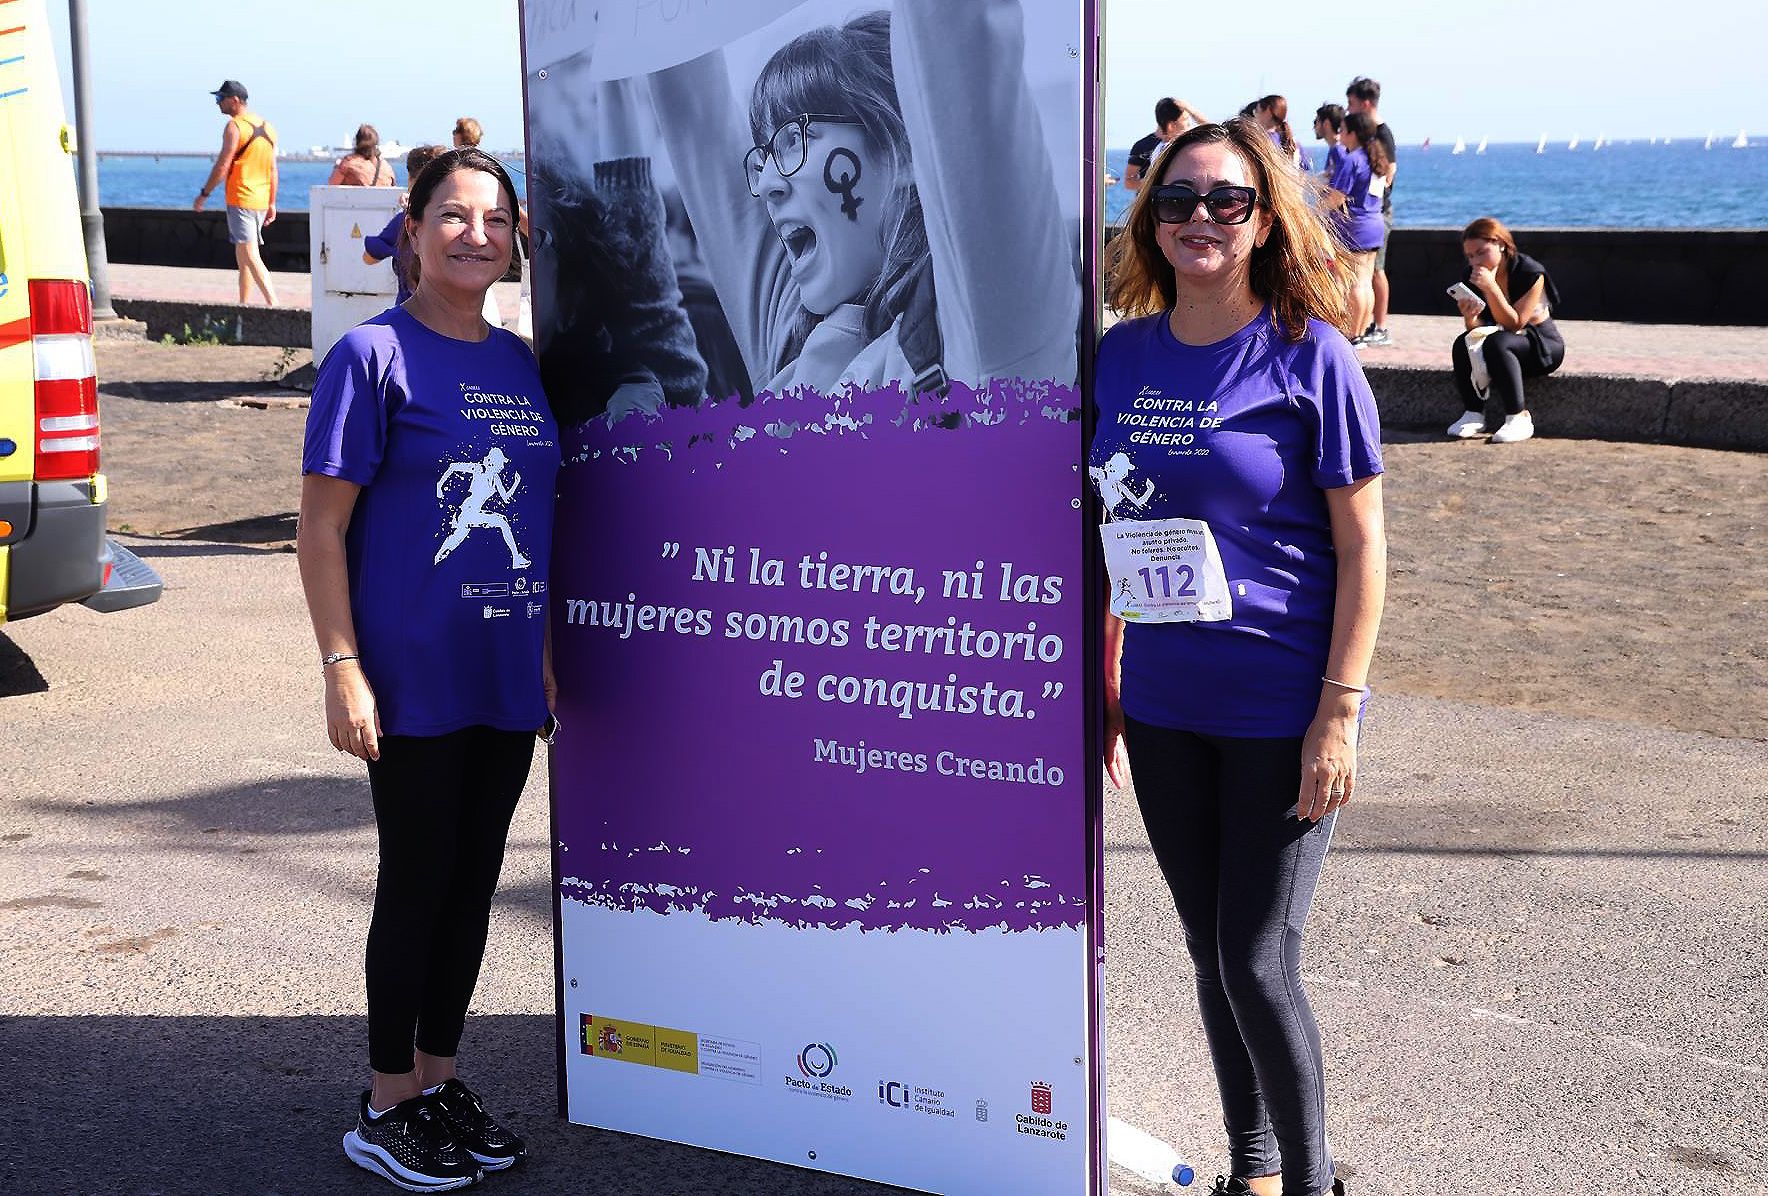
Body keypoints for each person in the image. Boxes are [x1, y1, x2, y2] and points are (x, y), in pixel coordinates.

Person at [1095, 117, 1385, 1196]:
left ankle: (1311, 1185)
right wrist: (1106, 677)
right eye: (1177, 201)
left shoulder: (1311, 354)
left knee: (1257, 959)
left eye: (1225, 200)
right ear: (1149, 220)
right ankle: (1250, 1171)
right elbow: (1109, 532)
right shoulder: (1119, 355)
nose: (1200, 219)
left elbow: (1363, 549)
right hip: (1168, 706)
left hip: (1280, 707)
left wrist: (1338, 711)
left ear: (1264, 219)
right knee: (1210, 952)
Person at [297, 147, 556, 1193]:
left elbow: (544, 515)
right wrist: (341, 666)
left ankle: (440, 1079)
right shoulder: (370, 356)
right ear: (411, 228)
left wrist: (543, 656)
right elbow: (319, 529)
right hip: (408, 673)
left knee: (473, 882)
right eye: (453, 215)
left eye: (495, 219)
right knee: (416, 882)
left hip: (505, 676)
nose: (476, 234)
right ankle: (385, 1099)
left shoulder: (521, 363)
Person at [648, 0, 1077, 398]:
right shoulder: (791, 350)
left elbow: (956, 34)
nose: (765, 186)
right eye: (764, 159)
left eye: (796, 140)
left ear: (905, 151)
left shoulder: (988, 339)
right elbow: (691, 113)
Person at [1447, 217, 1565, 443]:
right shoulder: (1472, 276)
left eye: (1481, 252)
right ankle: (1473, 413)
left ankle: (1518, 417)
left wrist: (1491, 288)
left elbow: (1516, 324)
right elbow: (1480, 330)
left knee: (1498, 342)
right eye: (1470, 256)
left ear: (1501, 243)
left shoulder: (1530, 272)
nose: (1476, 261)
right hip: (1501, 347)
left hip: (1542, 346)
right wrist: (1470, 318)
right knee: (1464, 341)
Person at [193, 80, 278, 306]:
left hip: (241, 197)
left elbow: (223, 165)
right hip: (260, 199)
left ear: (235, 100)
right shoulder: (268, 126)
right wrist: (272, 202)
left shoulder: (235, 127)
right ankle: (243, 303)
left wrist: (204, 193)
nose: (218, 103)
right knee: (243, 256)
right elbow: (272, 169)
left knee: (250, 254)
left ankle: (273, 303)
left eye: (221, 99)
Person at [1323, 113, 1388, 345]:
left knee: (1351, 283)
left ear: (1352, 133)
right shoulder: (1376, 158)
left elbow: (1336, 197)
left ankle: (1350, 332)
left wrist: (1316, 212)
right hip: (1374, 224)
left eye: (1343, 130)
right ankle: (1360, 331)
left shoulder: (1353, 160)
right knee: (1365, 281)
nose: (1341, 135)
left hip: (1355, 227)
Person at [1345, 77, 1395, 345]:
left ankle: (1374, 327)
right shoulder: (1371, 145)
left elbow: (1390, 173)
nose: (1349, 109)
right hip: (1374, 215)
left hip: (1369, 217)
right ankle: (1363, 330)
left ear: (1365, 103)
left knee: (1372, 274)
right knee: (1367, 277)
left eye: (1351, 104)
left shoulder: (1381, 134)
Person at [362, 144, 445, 304]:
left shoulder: (405, 222)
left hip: (410, 316)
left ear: (410, 177)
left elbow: (368, 257)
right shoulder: (457, 223)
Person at [1125, 96, 1207, 191]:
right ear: (1171, 126)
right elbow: (1129, 182)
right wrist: (1158, 183)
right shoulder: (1145, 146)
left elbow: (1213, 131)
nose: (1190, 125)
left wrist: (1189, 109)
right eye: (1186, 120)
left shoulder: (1186, 144)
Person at [1248, 94, 1308, 172]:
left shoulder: (1262, 140)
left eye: (1256, 111)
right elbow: (1304, 169)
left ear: (1268, 111)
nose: (1255, 115)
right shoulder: (1294, 141)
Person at [328, 123, 399, 188]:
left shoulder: (348, 163)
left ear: (356, 142)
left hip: (354, 201)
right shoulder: (386, 167)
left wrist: (337, 167)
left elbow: (331, 187)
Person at [1313, 103, 1345, 184]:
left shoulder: (1339, 150)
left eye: (1316, 122)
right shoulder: (1335, 148)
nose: (1314, 127)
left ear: (1326, 123)